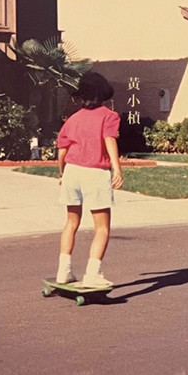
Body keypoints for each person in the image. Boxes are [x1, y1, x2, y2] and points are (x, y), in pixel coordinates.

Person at [55, 72, 123, 287]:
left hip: (72, 172)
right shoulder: (109, 116)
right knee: (101, 228)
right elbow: (109, 139)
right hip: (95, 173)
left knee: (71, 222)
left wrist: (62, 174)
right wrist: (117, 168)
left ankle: (63, 272)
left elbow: (62, 151)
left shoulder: (73, 119)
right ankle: (92, 275)